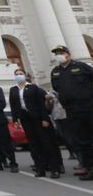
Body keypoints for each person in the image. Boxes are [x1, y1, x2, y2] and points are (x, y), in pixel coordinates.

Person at [50, 45, 93, 180]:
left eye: (61, 53)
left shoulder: (81, 67)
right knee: (81, 140)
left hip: (88, 108)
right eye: (57, 53)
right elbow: (57, 89)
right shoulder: (55, 72)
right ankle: (88, 167)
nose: (59, 55)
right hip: (72, 111)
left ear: (68, 54)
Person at [9, 68, 61, 178]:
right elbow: (14, 106)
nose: (19, 76)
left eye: (21, 74)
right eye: (16, 74)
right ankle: (40, 168)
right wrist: (15, 120)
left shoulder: (33, 88)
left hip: (39, 118)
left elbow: (42, 104)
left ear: (25, 75)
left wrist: (45, 119)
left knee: (46, 143)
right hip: (25, 119)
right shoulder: (13, 89)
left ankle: (54, 169)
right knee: (34, 144)